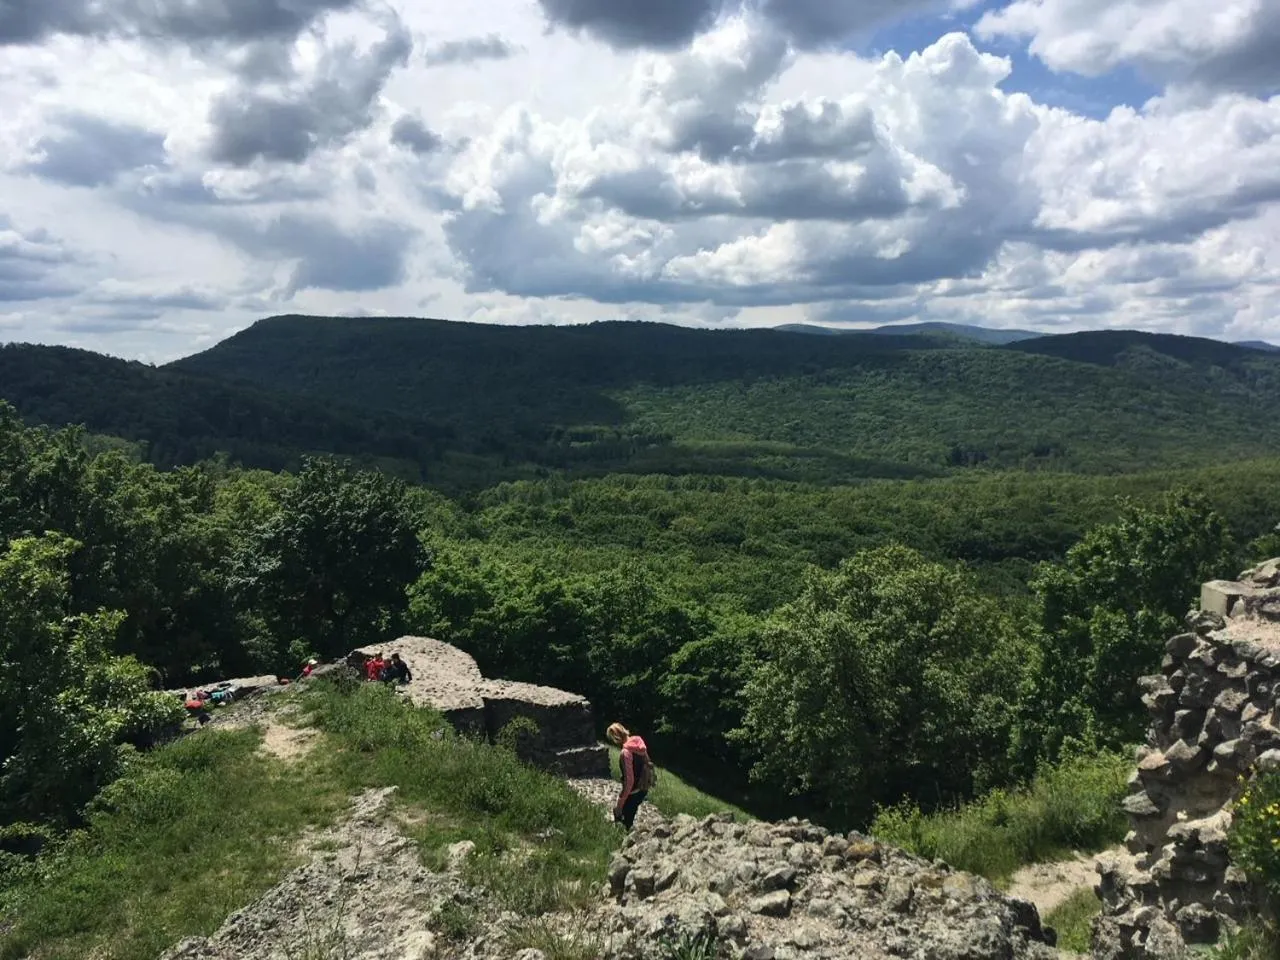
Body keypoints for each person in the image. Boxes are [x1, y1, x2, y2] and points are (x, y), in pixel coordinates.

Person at [607, 722, 653, 830]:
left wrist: (620, 803)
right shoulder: (638, 741)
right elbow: (648, 763)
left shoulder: (625, 753)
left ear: (616, 738)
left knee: (623, 822)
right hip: (643, 788)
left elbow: (629, 781)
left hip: (633, 792)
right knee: (631, 815)